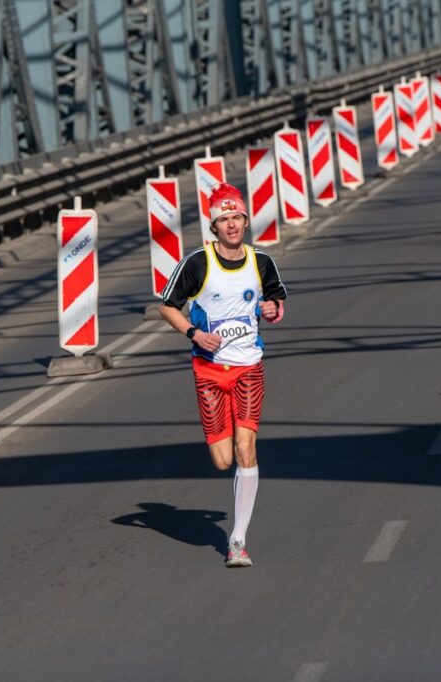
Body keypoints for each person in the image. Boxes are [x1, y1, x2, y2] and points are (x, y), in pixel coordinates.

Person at [159, 183, 287, 568]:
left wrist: (272, 310)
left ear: (246, 221)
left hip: (249, 366)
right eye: (224, 219)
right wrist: (194, 333)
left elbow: (277, 302)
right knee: (221, 459)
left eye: (237, 218)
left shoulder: (261, 262)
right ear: (214, 226)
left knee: (247, 449)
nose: (232, 225)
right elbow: (167, 306)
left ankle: (237, 540)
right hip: (209, 371)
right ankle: (235, 531)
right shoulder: (197, 263)